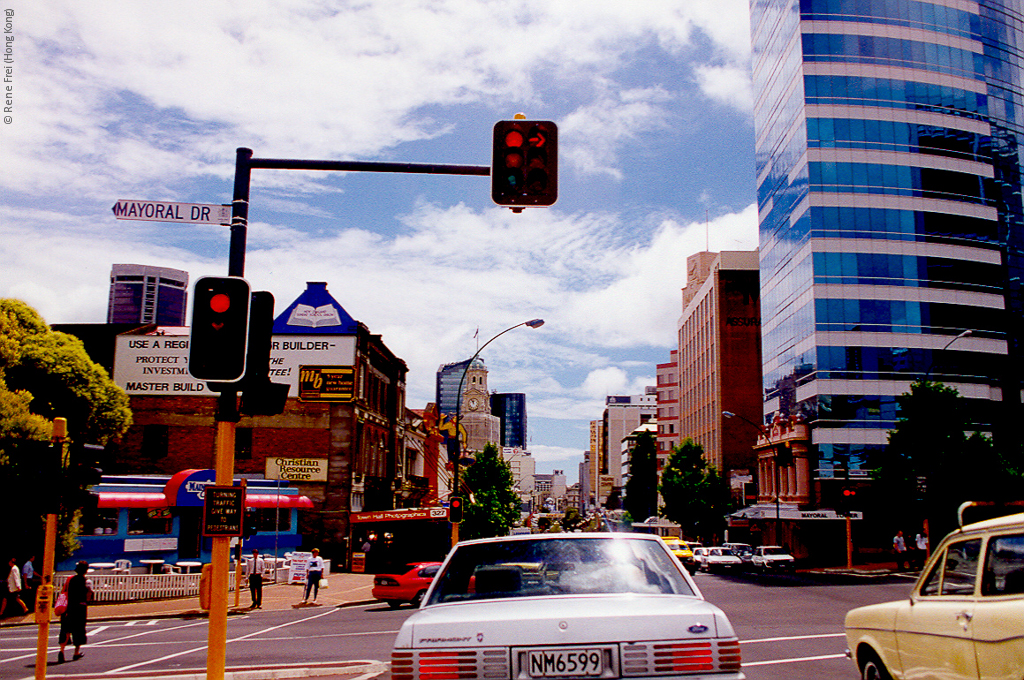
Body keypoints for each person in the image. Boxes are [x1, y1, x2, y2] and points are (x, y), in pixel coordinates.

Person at [58, 561, 93, 663]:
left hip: (68, 608)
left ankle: (61, 651)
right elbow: (88, 596)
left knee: (66, 629)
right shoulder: (86, 581)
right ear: (86, 570)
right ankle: (76, 652)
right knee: (79, 630)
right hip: (80, 608)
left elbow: (64, 591)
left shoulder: (70, 579)